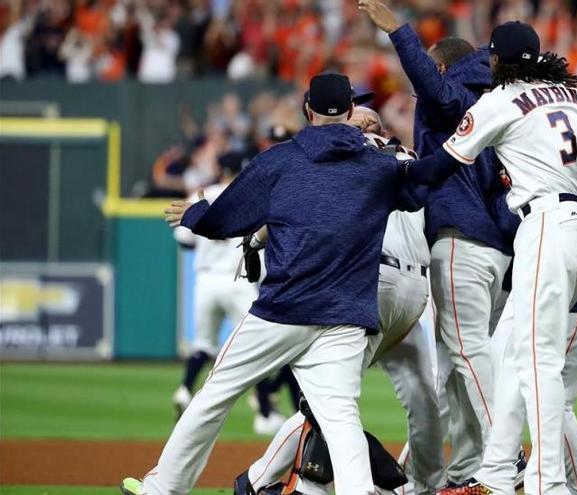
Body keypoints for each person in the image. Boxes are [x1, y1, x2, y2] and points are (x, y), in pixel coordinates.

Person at [120, 72, 464, 495]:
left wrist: (194, 215)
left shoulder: (281, 160)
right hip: (344, 315)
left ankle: (163, 488)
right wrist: (464, 139)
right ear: (352, 112)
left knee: (214, 396)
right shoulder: (379, 166)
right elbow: (426, 179)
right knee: (341, 422)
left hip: (284, 310)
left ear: (307, 111)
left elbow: (226, 216)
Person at [405, 20, 577, 494]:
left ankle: (547, 483)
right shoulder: (571, 95)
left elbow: (443, 163)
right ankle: (498, 473)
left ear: (497, 59)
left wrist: (397, 178)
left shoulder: (499, 100)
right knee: (507, 350)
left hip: (547, 225)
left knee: (537, 360)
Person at [234, 105, 445, 495]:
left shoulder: (369, 157)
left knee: (353, 399)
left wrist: (255, 239)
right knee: (354, 400)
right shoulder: (395, 159)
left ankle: (260, 480)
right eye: (357, 116)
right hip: (392, 284)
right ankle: (273, 480)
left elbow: (295, 204)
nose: (363, 121)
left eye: (367, 117)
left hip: (393, 286)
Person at [359, 2, 518, 484]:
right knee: (455, 365)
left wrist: (399, 34)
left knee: (467, 357)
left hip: (460, 238)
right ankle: (468, 468)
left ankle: (503, 460)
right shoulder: (499, 95)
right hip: (497, 244)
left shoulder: (455, 95)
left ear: (442, 65)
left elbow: (435, 90)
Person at [447, 185, 577, 495]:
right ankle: (569, 486)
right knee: (543, 394)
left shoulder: (542, 190)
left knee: (552, 398)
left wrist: (498, 198)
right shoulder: (566, 185)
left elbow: (506, 222)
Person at [171, 151, 286, 436]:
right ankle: (264, 413)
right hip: (238, 280)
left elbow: (184, 240)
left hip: (206, 279)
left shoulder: (204, 193)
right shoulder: (248, 193)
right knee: (258, 346)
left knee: (204, 343)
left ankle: (185, 390)